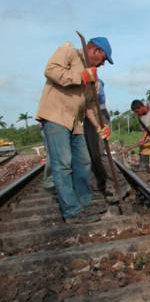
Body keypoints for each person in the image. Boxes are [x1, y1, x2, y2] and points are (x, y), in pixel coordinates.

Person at [36, 37, 113, 224]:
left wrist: (100, 126)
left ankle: (84, 204)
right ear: (94, 50)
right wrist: (80, 77)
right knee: (63, 164)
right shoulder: (68, 50)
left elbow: (89, 107)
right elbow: (51, 70)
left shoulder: (93, 80)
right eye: (103, 59)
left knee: (84, 162)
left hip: (75, 122)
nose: (103, 64)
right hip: (56, 116)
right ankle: (71, 211)